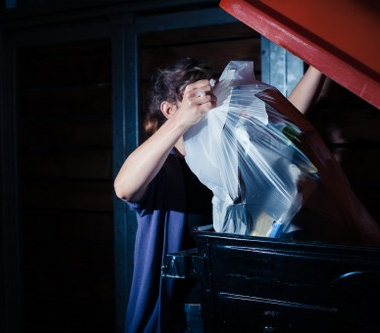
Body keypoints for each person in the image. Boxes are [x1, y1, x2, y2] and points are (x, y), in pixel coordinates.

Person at [113, 57, 324, 333]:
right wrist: (183, 119)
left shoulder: (232, 156)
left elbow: (286, 119)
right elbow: (124, 188)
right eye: (194, 100)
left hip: (244, 299)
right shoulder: (163, 168)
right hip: (191, 309)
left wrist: (321, 65)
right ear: (169, 109)